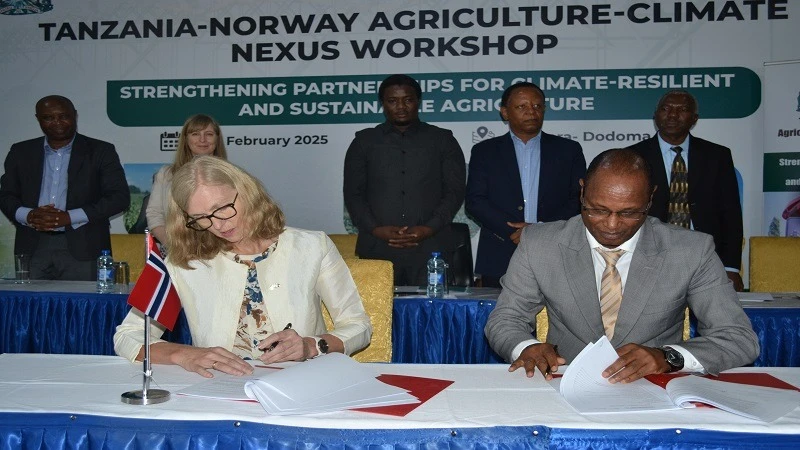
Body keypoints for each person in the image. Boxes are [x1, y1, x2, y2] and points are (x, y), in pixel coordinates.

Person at [485, 148, 758, 383]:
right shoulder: (540, 244)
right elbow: (505, 320)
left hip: (657, 389)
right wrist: (527, 346)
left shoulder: (692, 251)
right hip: (563, 386)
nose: (612, 225)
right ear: (582, 192)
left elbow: (738, 338)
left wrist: (668, 357)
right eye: (598, 209)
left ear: (650, 199)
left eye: (629, 213)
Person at [114, 156, 372, 377]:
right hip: (219, 388)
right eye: (201, 218)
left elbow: (358, 325)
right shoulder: (185, 262)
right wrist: (183, 354)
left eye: (223, 208)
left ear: (247, 191)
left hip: (303, 383)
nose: (218, 225)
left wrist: (311, 346)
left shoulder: (312, 246)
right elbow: (128, 336)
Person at [343, 74, 466, 285]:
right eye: (392, 101)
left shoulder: (443, 140)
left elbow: (454, 191)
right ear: (382, 104)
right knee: (377, 316)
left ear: (418, 101)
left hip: (431, 247)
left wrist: (429, 227)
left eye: (408, 100)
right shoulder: (364, 142)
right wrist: (375, 229)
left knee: (431, 316)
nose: (401, 106)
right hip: (377, 247)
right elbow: (353, 194)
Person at [466, 82, 586, 287]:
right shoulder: (484, 151)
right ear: (505, 112)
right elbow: (475, 202)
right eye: (522, 107)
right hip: (500, 250)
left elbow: (579, 199)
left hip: (554, 250)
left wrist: (538, 231)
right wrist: (513, 231)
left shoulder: (568, 150)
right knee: (498, 316)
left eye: (538, 106)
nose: (532, 112)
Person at [0, 95, 130, 280]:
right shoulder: (20, 151)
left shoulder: (101, 150)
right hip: (32, 246)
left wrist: (69, 217)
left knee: (82, 307)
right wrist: (28, 215)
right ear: (38, 119)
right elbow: (6, 195)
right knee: (33, 307)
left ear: (75, 115)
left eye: (63, 116)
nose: (57, 122)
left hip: (83, 246)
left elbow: (119, 198)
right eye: (48, 118)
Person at [628, 90, 744, 291]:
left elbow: (731, 214)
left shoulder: (717, 156)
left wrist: (731, 267)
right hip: (649, 255)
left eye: (682, 110)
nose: (672, 115)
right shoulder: (633, 155)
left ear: (695, 119)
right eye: (665, 109)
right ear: (655, 115)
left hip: (705, 254)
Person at [146, 114, 228, 245]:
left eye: (209, 134)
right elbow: (154, 214)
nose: (202, 140)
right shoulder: (166, 174)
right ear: (186, 139)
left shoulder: (230, 174)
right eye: (195, 134)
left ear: (217, 139)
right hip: (176, 248)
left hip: (219, 249)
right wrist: (172, 245)